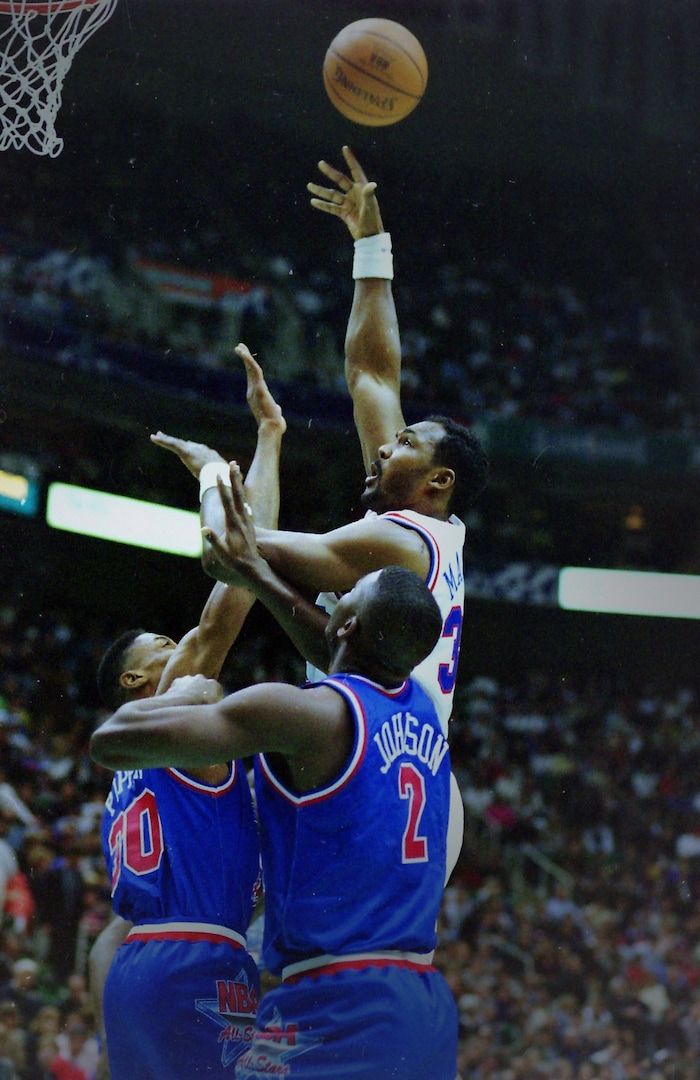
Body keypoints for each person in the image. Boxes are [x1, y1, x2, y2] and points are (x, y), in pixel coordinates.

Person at [155, 147, 488, 876]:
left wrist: (215, 472)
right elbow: (372, 374)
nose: (383, 444)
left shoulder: (397, 538)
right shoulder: (437, 530)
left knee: (294, 957)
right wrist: (372, 243)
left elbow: (227, 550)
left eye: (401, 444)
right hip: (416, 773)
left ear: (435, 479)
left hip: (375, 771)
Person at [89, 487, 460, 1079]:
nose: (333, 595)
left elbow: (109, 743)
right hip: (422, 999)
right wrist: (260, 578)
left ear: (347, 623)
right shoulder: (421, 709)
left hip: (333, 995)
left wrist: (193, 689)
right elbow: (336, 642)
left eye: (345, 593)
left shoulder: (302, 715)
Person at [88, 344, 286, 1080]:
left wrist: (269, 441)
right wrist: (244, 455)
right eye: (166, 647)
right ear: (142, 680)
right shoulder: (173, 711)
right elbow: (239, 578)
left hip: (142, 960)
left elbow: (104, 939)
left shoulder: (134, 767)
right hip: (198, 958)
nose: (187, 650)